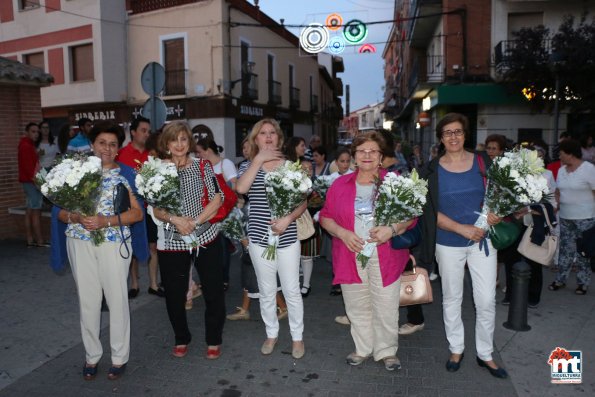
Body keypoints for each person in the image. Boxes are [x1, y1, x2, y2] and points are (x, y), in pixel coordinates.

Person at [51, 121, 147, 380]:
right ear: (92, 145)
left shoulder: (127, 174)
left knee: (117, 300)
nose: (107, 148)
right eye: (102, 143)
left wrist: (106, 221)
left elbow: (138, 214)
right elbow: (58, 212)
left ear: (118, 148)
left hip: (114, 243)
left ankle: (119, 357)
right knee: (88, 301)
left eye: (113, 144)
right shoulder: (74, 173)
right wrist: (75, 217)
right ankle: (91, 356)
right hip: (79, 242)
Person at [417, 113, 508, 378]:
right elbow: (428, 210)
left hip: (483, 242)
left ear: (465, 134)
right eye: (447, 133)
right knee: (452, 298)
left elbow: (501, 194)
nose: (453, 137)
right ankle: (456, 348)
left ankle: (485, 354)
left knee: (486, 299)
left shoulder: (484, 161)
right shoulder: (430, 170)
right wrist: (460, 228)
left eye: (457, 132)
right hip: (448, 243)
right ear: (441, 138)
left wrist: (498, 213)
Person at [319, 131, 415, 372]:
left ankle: (387, 350)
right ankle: (363, 347)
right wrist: (343, 233)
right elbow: (326, 217)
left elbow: (411, 217)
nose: (367, 155)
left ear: (381, 156)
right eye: (362, 151)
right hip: (350, 253)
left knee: (386, 304)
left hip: (386, 255)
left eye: (373, 151)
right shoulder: (340, 184)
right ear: (354, 156)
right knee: (356, 304)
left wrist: (391, 230)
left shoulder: (393, 182)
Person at [150, 121, 226, 359]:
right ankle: (181, 337)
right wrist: (176, 220)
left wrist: (194, 222)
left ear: (189, 142)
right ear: (167, 143)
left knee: (213, 289)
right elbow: (155, 209)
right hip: (173, 241)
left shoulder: (202, 165)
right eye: (175, 140)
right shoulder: (157, 170)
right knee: (175, 293)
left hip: (204, 235)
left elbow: (218, 198)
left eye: (184, 139)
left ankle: (213, 339)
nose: (180, 145)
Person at [236, 118, 306, 359]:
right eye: (262, 133)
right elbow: (241, 190)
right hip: (258, 237)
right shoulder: (247, 166)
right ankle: (271, 333)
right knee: (266, 290)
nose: (267, 137)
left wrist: (288, 219)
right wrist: (258, 160)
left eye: (272, 133)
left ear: (279, 138)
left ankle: (297, 338)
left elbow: (303, 201)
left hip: (287, 238)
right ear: (255, 139)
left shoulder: (289, 167)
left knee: (291, 290)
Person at [116, 117, 164, 299]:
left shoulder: (153, 154)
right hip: (130, 209)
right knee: (132, 246)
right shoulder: (121, 154)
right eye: (143, 130)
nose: (146, 134)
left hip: (151, 208)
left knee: (154, 245)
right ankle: (134, 283)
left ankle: (153, 283)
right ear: (133, 132)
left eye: (148, 131)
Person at [550, 139, 595, 295]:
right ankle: (560, 280)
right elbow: (558, 191)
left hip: (586, 218)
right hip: (565, 217)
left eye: (561, 153)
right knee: (565, 251)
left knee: (583, 252)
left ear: (570, 153)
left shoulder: (589, 169)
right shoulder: (562, 170)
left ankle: (582, 283)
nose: (559, 156)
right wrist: (556, 206)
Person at [195, 137, 238, 291]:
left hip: (225, 211)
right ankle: (213, 277)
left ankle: (223, 279)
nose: (198, 155)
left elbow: (235, 186)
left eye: (199, 152)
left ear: (208, 150)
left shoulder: (225, 164)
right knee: (211, 245)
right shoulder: (202, 166)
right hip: (209, 212)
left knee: (222, 245)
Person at [18, 122, 46, 247]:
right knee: (36, 211)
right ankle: (39, 241)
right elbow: (30, 168)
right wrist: (38, 184)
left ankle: (30, 240)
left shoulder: (27, 145)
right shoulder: (26, 146)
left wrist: (37, 155)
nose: (36, 134)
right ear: (27, 132)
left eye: (37, 132)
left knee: (30, 210)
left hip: (28, 181)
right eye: (33, 131)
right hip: (31, 182)